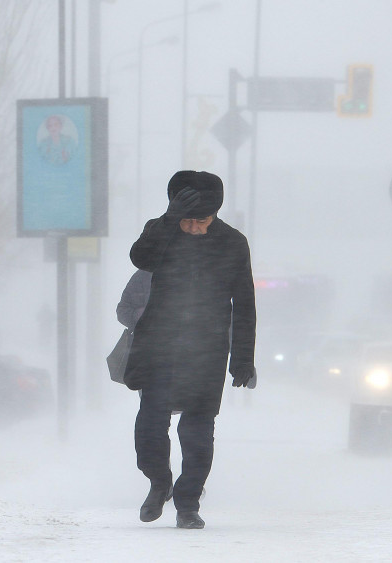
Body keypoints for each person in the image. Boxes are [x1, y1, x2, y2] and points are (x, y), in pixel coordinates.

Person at [124, 170, 257, 530]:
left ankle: (187, 503)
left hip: (207, 349)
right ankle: (158, 481)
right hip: (159, 346)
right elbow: (141, 258)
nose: (195, 227)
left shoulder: (232, 243)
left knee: (197, 433)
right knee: (151, 425)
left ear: (215, 216)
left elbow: (244, 303)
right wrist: (169, 221)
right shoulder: (163, 230)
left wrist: (243, 359)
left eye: (203, 221)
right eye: (189, 220)